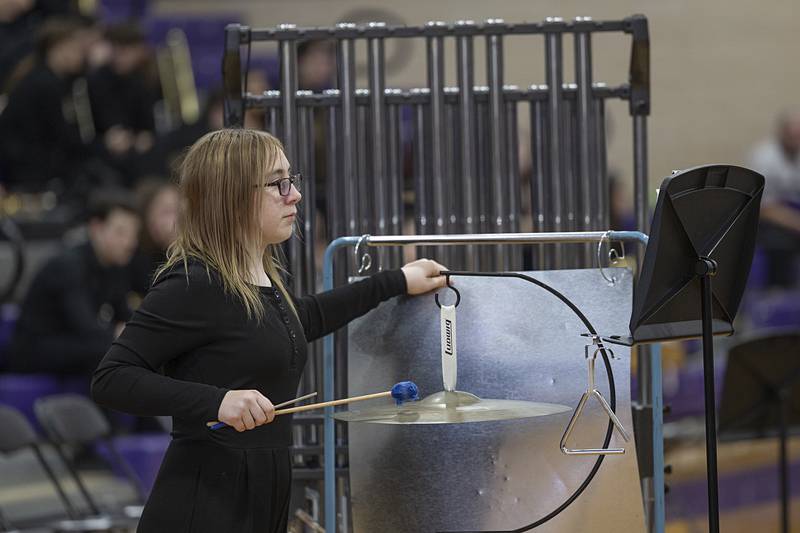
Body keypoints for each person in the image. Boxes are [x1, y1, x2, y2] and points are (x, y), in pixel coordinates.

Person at [90, 128, 447, 532]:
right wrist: (217, 401)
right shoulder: (193, 282)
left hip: (264, 492)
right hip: (204, 505)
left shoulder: (260, 276)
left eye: (291, 180)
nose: (293, 194)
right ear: (233, 196)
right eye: (278, 183)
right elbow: (111, 378)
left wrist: (396, 281)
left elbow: (303, 318)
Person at [7, 190, 140, 374]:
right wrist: (119, 333)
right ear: (96, 228)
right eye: (121, 232)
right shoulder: (68, 266)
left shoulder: (116, 266)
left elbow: (125, 315)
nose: (130, 242)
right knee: (104, 348)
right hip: (35, 351)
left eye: (134, 234)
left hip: (71, 344)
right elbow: (85, 327)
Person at [748, 111, 800, 287]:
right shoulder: (764, 157)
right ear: (782, 133)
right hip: (768, 223)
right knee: (780, 242)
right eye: (793, 135)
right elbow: (763, 208)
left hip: (794, 215)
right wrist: (795, 223)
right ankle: (777, 294)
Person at [128, 179, 179, 296]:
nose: (176, 220)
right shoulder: (130, 256)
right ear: (146, 215)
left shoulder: (182, 257)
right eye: (167, 212)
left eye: (178, 211)